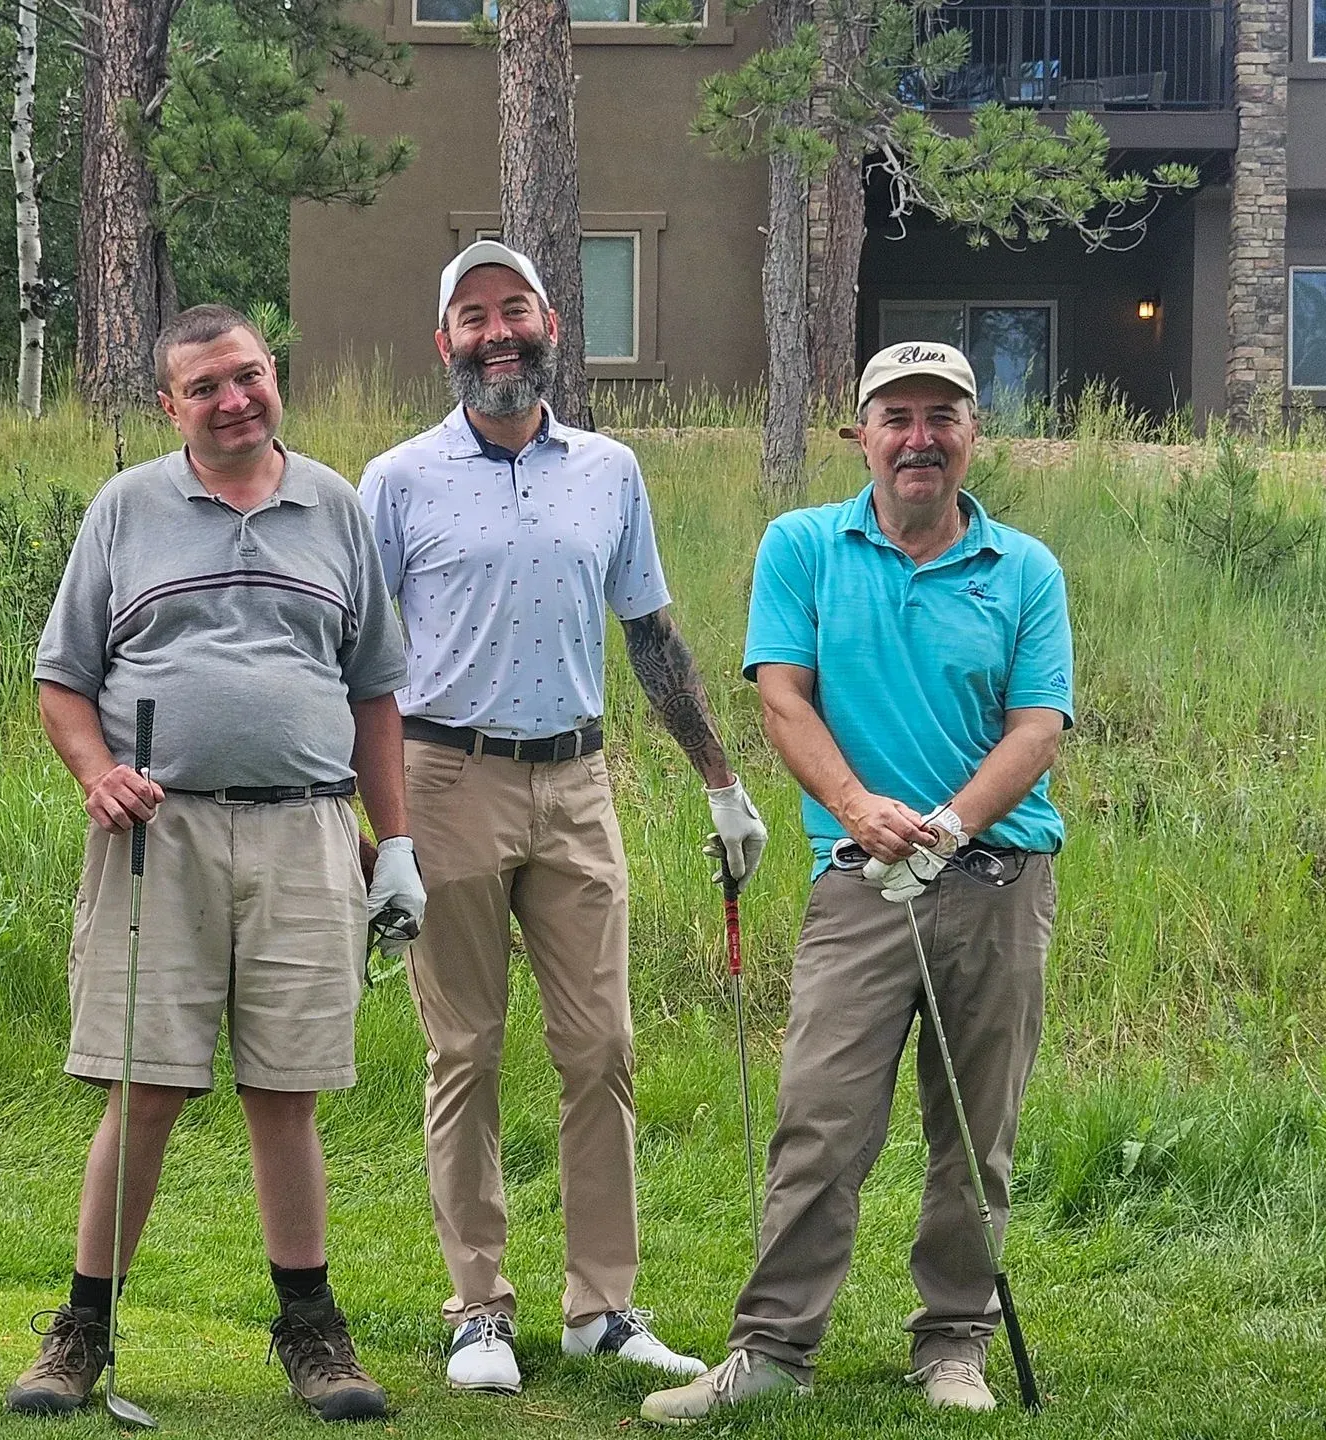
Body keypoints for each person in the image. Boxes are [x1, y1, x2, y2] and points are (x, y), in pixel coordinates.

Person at [359, 241, 769, 1395]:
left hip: (577, 783)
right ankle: (479, 1309)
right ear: (445, 343)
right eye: (474, 316)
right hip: (445, 780)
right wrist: (376, 826)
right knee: (466, 1052)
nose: (499, 333)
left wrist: (720, 781)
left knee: (602, 1050)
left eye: (517, 310)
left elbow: (650, 636)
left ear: (550, 326)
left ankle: (603, 1307)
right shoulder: (395, 479)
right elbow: (357, 659)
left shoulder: (610, 468)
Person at [6, 304, 424, 1424]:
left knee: (286, 1095)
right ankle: (81, 1331)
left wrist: (400, 850)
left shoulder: (335, 504)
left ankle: (313, 1335)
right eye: (206, 388)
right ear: (169, 406)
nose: (234, 400)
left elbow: (375, 691)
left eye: (248, 376)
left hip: (306, 829)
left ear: (273, 373)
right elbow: (62, 679)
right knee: (144, 1092)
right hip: (159, 836)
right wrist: (95, 774)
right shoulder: (127, 508)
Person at [641, 341, 1073, 1423]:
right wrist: (858, 809)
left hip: (997, 878)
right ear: (862, 434)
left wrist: (951, 822)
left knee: (977, 1129)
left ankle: (953, 1344)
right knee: (820, 1120)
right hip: (857, 878)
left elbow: (1039, 725)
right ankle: (775, 1347)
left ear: (973, 435)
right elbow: (783, 697)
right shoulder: (803, 547)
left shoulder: (1025, 570)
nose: (919, 437)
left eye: (943, 416)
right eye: (898, 417)